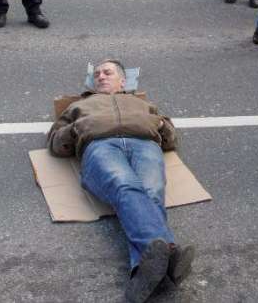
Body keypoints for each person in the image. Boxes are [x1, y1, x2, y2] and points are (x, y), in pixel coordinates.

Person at [47, 59, 195, 303]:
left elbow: (171, 139)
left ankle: (142, 272)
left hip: (144, 144)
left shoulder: (142, 102)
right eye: (97, 74)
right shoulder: (80, 105)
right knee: (125, 185)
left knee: (152, 193)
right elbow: (55, 143)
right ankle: (170, 252)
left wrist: (159, 124)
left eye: (107, 72)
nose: (101, 77)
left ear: (123, 80)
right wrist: (74, 130)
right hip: (100, 145)